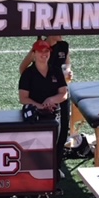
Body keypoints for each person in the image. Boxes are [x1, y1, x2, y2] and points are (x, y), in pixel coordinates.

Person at [19, 36, 72, 176]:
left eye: (46, 51)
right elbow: (23, 98)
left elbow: (64, 92)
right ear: (34, 54)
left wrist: (52, 99)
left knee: (56, 143)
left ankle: (53, 173)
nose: (44, 54)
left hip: (55, 113)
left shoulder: (56, 69)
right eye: (40, 51)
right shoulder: (28, 74)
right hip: (35, 116)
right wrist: (39, 106)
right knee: (35, 147)